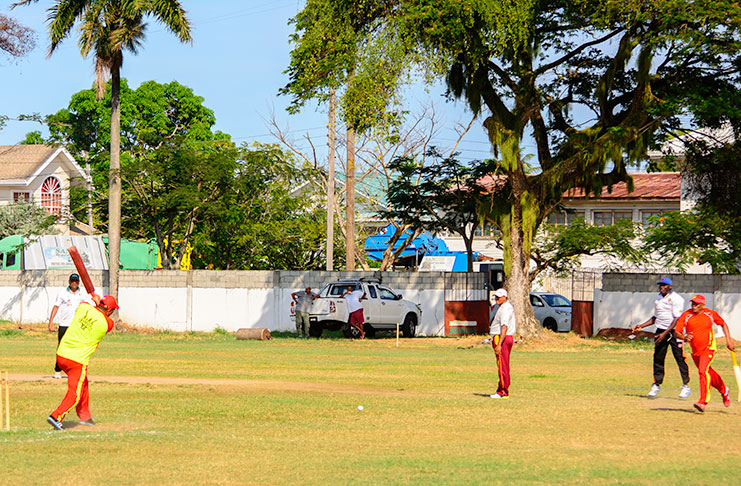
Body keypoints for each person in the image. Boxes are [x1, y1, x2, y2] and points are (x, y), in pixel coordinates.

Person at [46, 294, 119, 430]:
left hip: (61, 355)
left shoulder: (84, 307)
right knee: (75, 394)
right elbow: (104, 318)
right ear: (109, 311)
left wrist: (95, 304)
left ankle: (85, 417)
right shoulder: (107, 324)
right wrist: (98, 306)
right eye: (112, 311)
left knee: (83, 383)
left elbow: (85, 307)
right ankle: (56, 416)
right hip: (76, 361)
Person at [631, 277, 691, 398]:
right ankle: (656, 385)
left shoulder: (676, 298)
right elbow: (655, 317)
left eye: (664, 285)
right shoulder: (658, 298)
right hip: (660, 331)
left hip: (675, 332)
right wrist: (641, 326)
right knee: (658, 358)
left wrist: (666, 333)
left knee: (680, 358)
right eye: (660, 285)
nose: (661, 287)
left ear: (670, 287)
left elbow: (676, 318)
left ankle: (686, 386)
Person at [674, 294, 735, 412]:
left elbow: (723, 324)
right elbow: (677, 332)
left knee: (702, 371)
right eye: (692, 303)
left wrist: (728, 341)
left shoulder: (710, 314)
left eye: (696, 304)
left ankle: (702, 401)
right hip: (695, 351)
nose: (694, 306)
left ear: (702, 305)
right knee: (708, 372)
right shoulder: (686, 315)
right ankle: (724, 390)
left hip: (709, 348)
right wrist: (684, 337)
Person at [48, 273, 92, 379]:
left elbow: (88, 307)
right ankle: (58, 371)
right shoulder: (63, 293)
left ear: (78, 282)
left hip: (76, 325)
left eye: (76, 281)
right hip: (64, 324)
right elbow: (56, 307)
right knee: (61, 348)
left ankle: (73, 371)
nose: (74, 283)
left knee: (76, 348)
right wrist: (51, 322)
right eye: (72, 281)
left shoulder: (82, 294)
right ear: (69, 282)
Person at [490, 288, 516, 399]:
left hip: (502, 338)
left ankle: (503, 391)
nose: (497, 298)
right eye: (496, 296)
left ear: (505, 297)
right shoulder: (503, 307)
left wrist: (499, 344)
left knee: (502, 365)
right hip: (503, 338)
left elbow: (504, 326)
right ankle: (502, 389)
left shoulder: (505, 309)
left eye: (499, 297)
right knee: (503, 364)